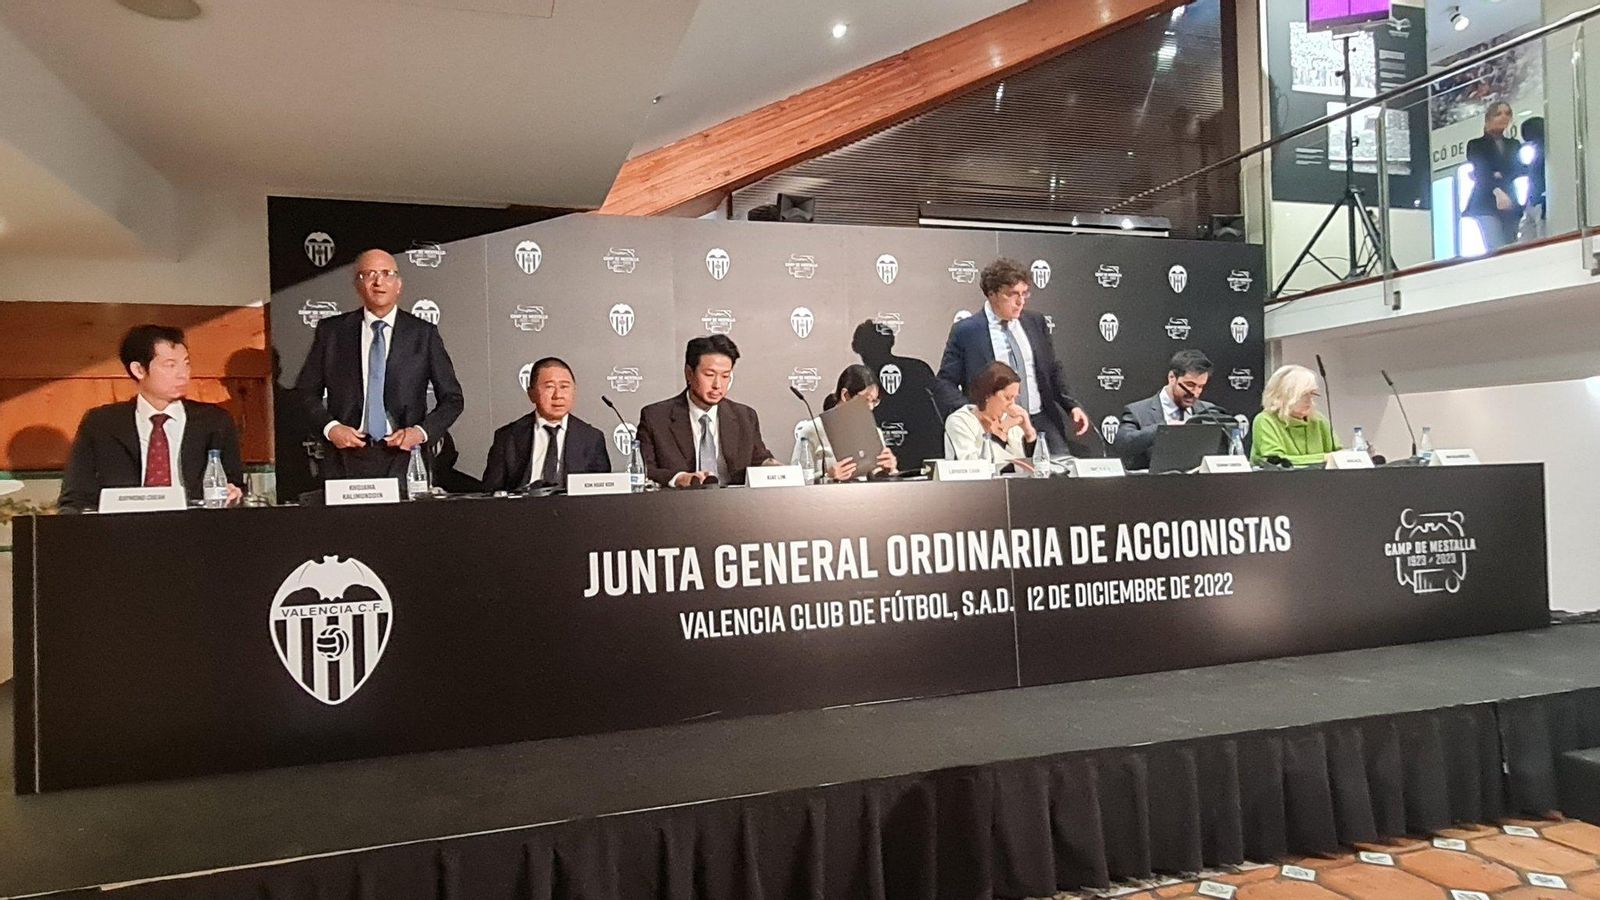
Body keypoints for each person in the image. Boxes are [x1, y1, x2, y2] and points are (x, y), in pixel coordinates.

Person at [294, 248, 465, 479]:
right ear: (357, 285)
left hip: (404, 456)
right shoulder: (332, 332)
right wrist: (331, 428)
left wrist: (421, 432)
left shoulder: (422, 334)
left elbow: (452, 399)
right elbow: (305, 392)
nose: (378, 282)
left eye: (387, 273)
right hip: (345, 456)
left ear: (399, 284)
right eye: (369, 274)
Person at [59, 325, 245, 511]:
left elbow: (235, 486)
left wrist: (233, 494)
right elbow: (75, 498)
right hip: (121, 531)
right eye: (170, 365)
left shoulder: (215, 422)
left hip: (194, 529)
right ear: (139, 369)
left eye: (186, 363)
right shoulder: (101, 424)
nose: (183, 374)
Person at [937, 258, 1090, 455]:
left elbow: (1051, 369)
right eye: (1012, 295)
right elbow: (945, 382)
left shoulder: (1035, 322)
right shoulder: (966, 331)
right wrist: (975, 413)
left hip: (1039, 418)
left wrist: (1071, 406)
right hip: (996, 424)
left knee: (1062, 477)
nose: (1020, 302)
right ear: (992, 294)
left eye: (1024, 294)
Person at [636, 334, 776, 487]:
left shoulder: (745, 416)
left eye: (725, 376)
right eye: (709, 375)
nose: (717, 384)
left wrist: (778, 470)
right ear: (689, 373)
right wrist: (679, 478)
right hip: (678, 506)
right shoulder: (656, 418)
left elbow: (760, 460)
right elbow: (643, 470)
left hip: (735, 506)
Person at [482, 357, 610, 492]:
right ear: (531, 393)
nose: (558, 395)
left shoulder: (592, 438)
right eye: (549, 387)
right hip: (523, 509)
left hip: (573, 510)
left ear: (574, 391)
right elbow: (490, 493)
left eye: (564, 387)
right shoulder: (508, 437)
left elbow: (602, 494)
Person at [1115, 350, 1226, 470]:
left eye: (1201, 386)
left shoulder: (1209, 411)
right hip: (1152, 485)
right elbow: (1122, 445)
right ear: (1172, 377)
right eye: (1190, 385)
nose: (1195, 393)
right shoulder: (1138, 412)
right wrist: (1164, 429)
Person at [793, 364, 898, 482]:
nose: (870, 407)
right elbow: (796, 481)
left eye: (874, 401)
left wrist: (890, 470)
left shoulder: (874, 432)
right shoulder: (812, 430)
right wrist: (828, 477)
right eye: (865, 400)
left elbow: (878, 480)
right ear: (845, 395)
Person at [943, 361, 1037, 470]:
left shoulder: (1010, 422)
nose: (1013, 404)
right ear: (988, 395)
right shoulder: (959, 421)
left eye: (1014, 398)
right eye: (1008, 398)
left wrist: (1028, 432)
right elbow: (972, 464)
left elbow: (1033, 467)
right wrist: (999, 436)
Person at [1463, 101, 1525, 253]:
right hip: (1486, 201)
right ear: (1488, 118)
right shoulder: (1476, 144)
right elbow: (1482, 171)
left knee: (1512, 246)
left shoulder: (1513, 144)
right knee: (1496, 247)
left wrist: (1496, 173)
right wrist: (1496, 185)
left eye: (1507, 113)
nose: (1504, 117)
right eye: (1499, 114)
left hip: (1510, 200)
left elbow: (1516, 170)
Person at [1250, 364, 1340, 467]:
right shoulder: (1265, 420)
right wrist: (1324, 458)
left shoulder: (1319, 421)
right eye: (1304, 394)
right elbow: (1276, 462)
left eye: (1313, 394)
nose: (1309, 400)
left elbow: (1340, 456)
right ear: (1283, 395)